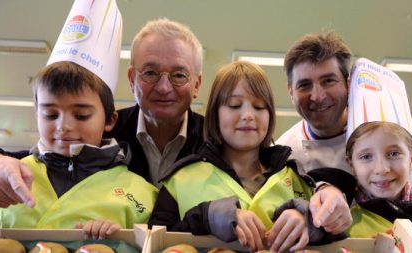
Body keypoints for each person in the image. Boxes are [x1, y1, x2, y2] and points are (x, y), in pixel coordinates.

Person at [0, 18, 204, 208]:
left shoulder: (215, 140)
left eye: (179, 75)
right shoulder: (100, 131)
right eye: (150, 72)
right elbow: (42, 161)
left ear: (196, 85)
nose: (164, 87)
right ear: (131, 79)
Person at [148, 61, 352, 252]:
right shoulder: (179, 180)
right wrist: (207, 217)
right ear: (214, 114)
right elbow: (152, 241)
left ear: (270, 115)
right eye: (235, 105)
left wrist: (309, 221)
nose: (248, 115)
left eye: (259, 106)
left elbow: (340, 233)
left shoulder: (297, 178)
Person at [0, 61, 158, 238]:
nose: (63, 126)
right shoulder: (5, 174)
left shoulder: (141, 193)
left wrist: (119, 244)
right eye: (50, 115)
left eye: (81, 116)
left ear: (110, 120)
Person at [275, 31, 412, 198]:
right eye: (304, 85)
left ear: (348, 83)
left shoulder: (398, 127)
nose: (318, 96)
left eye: (328, 81)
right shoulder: (284, 156)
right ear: (291, 92)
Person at [345, 121, 412, 238]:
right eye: (366, 157)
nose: (381, 169)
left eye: (394, 153)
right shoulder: (345, 226)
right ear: (352, 165)